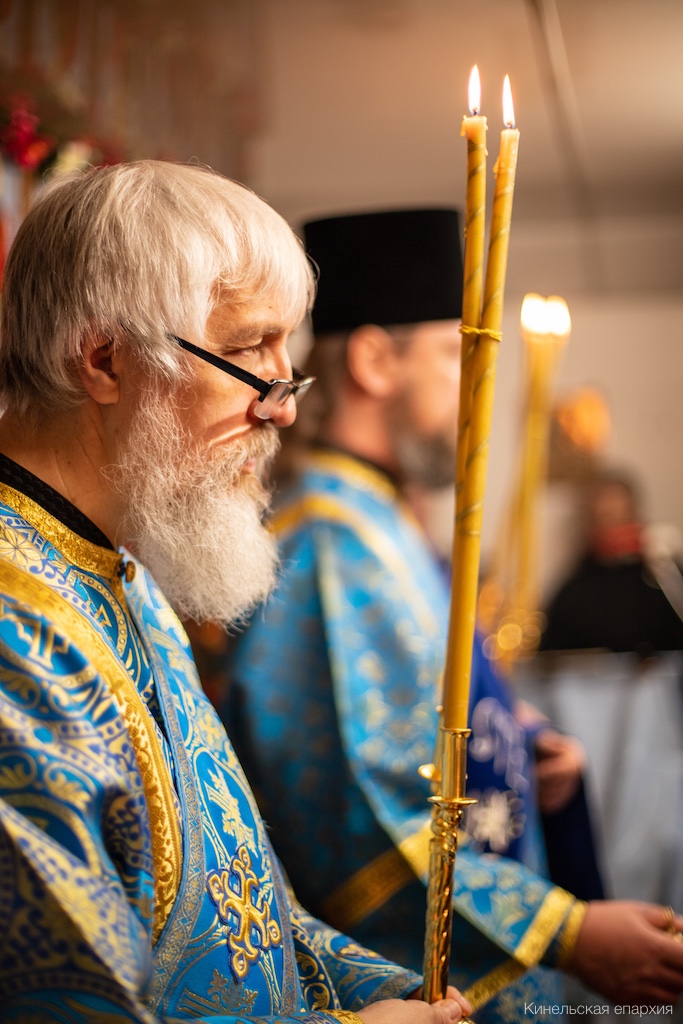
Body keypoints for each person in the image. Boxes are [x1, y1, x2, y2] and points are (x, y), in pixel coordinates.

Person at [0, 165, 474, 1023]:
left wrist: (385, 990)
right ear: (105, 360)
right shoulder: (14, 631)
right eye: (252, 348)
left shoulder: (128, 579)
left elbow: (247, 905)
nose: (283, 406)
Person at [221, 209, 683, 1022]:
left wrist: (517, 747)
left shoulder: (384, 523)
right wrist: (565, 932)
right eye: (452, 354)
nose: (476, 388)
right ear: (374, 360)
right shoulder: (327, 548)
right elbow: (358, 819)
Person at [540, 468, 683, 656]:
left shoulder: (663, 575)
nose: (612, 526)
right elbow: (554, 652)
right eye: (604, 515)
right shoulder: (575, 587)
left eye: (619, 513)